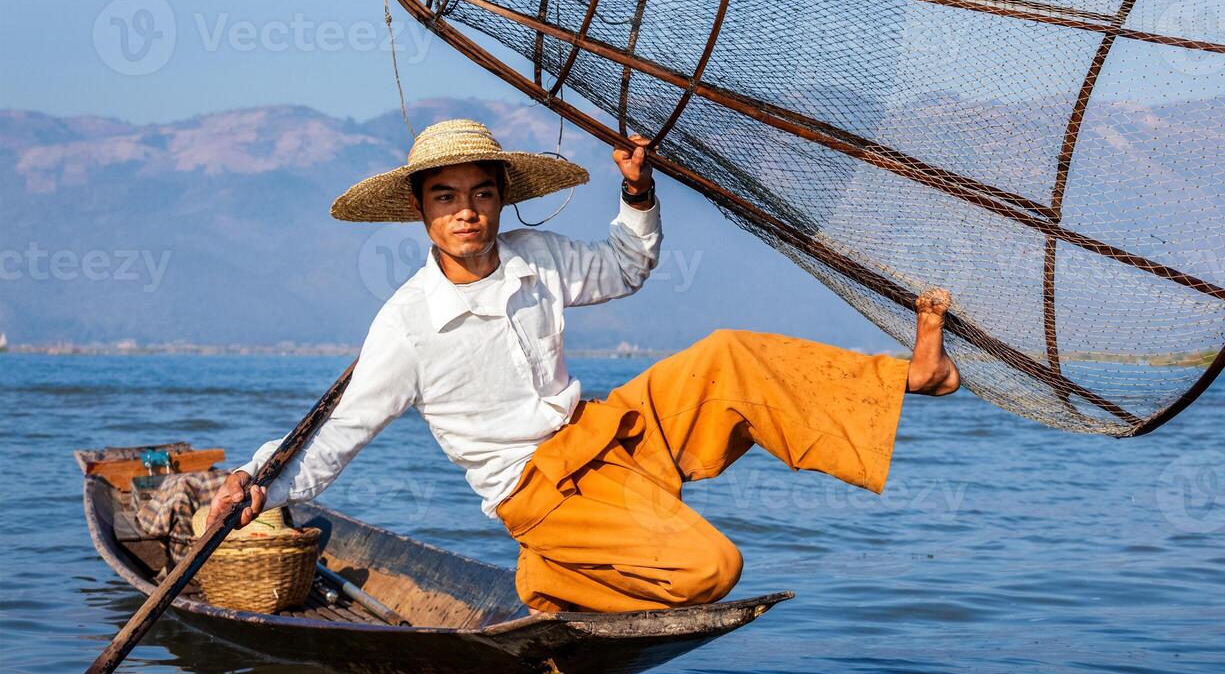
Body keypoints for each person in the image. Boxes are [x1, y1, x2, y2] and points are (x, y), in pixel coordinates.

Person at [207, 118, 960, 613]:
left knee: (729, 354)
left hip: (606, 435)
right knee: (712, 570)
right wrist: (257, 484)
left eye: (480, 195)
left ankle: (910, 377)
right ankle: (548, 573)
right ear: (422, 214)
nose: (466, 211)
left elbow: (626, 267)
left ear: (500, 202)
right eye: (446, 198)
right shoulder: (407, 325)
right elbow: (337, 433)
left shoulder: (534, 257)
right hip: (545, 493)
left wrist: (637, 190)